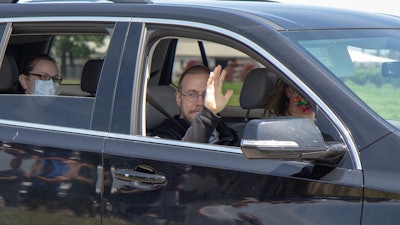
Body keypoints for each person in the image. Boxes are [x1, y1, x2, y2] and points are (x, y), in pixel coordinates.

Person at [151, 64, 240, 146]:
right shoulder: (164, 136)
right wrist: (208, 115)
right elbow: (180, 159)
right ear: (178, 98)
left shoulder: (226, 132)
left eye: (206, 95)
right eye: (191, 94)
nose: (200, 102)